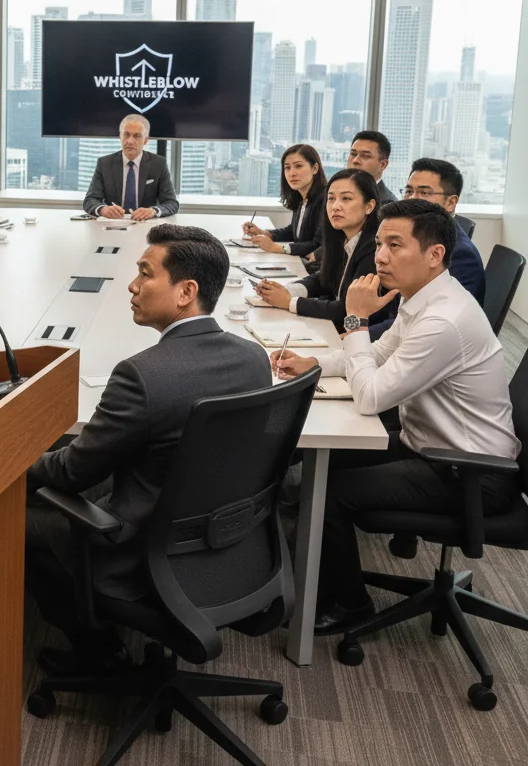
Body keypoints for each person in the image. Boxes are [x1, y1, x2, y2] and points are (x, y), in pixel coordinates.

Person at [25, 224, 271, 666]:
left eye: (144, 273)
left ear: (185, 292)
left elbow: (73, 472)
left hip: (140, 555)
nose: (132, 285)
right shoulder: (254, 357)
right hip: (225, 542)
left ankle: (97, 651)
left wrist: (14, 464)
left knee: (19, 517)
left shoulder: (142, 375)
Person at [271, 201, 520, 635]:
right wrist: (313, 361)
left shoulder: (443, 319)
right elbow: (378, 356)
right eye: (380, 242)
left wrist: (355, 319)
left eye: (394, 244)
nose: (380, 255)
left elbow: (370, 395)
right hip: (426, 443)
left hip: (468, 471)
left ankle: (349, 603)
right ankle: (299, 569)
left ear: (435, 254)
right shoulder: (425, 297)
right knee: (316, 461)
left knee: (329, 492)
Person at [369, 158, 486, 341]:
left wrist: (355, 329)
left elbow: (430, 323)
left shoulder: (461, 254)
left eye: (424, 192)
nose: (412, 199)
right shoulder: (408, 236)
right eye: (408, 191)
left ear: (451, 203)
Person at [255, 169, 380, 331]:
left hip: (358, 335)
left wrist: (289, 302)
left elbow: (347, 309)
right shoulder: (343, 238)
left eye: (346, 199)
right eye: (331, 199)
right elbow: (323, 279)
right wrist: (286, 290)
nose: (335, 206)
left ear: (369, 206)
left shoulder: (375, 248)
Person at [82, 113, 179, 220]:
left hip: (145, 224)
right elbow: (90, 200)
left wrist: (153, 211)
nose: (130, 141)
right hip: (113, 224)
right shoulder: (105, 163)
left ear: (146, 140)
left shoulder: (158, 164)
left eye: (137, 136)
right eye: (126, 135)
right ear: (120, 137)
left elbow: (172, 203)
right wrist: (103, 209)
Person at [242, 144, 326, 256]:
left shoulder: (326, 200)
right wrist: (265, 233)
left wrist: (276, 247)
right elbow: (293, 232)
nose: (292, 173)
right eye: (287, 167)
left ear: (315, 168)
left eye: (298, 166)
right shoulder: (302, 198)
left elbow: (317, 245)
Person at [348, 130, 397, 205]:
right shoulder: (334, 194)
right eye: (353, 154)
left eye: (365, 156)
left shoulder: (388, 203)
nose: (355, 160)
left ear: (383, 165)